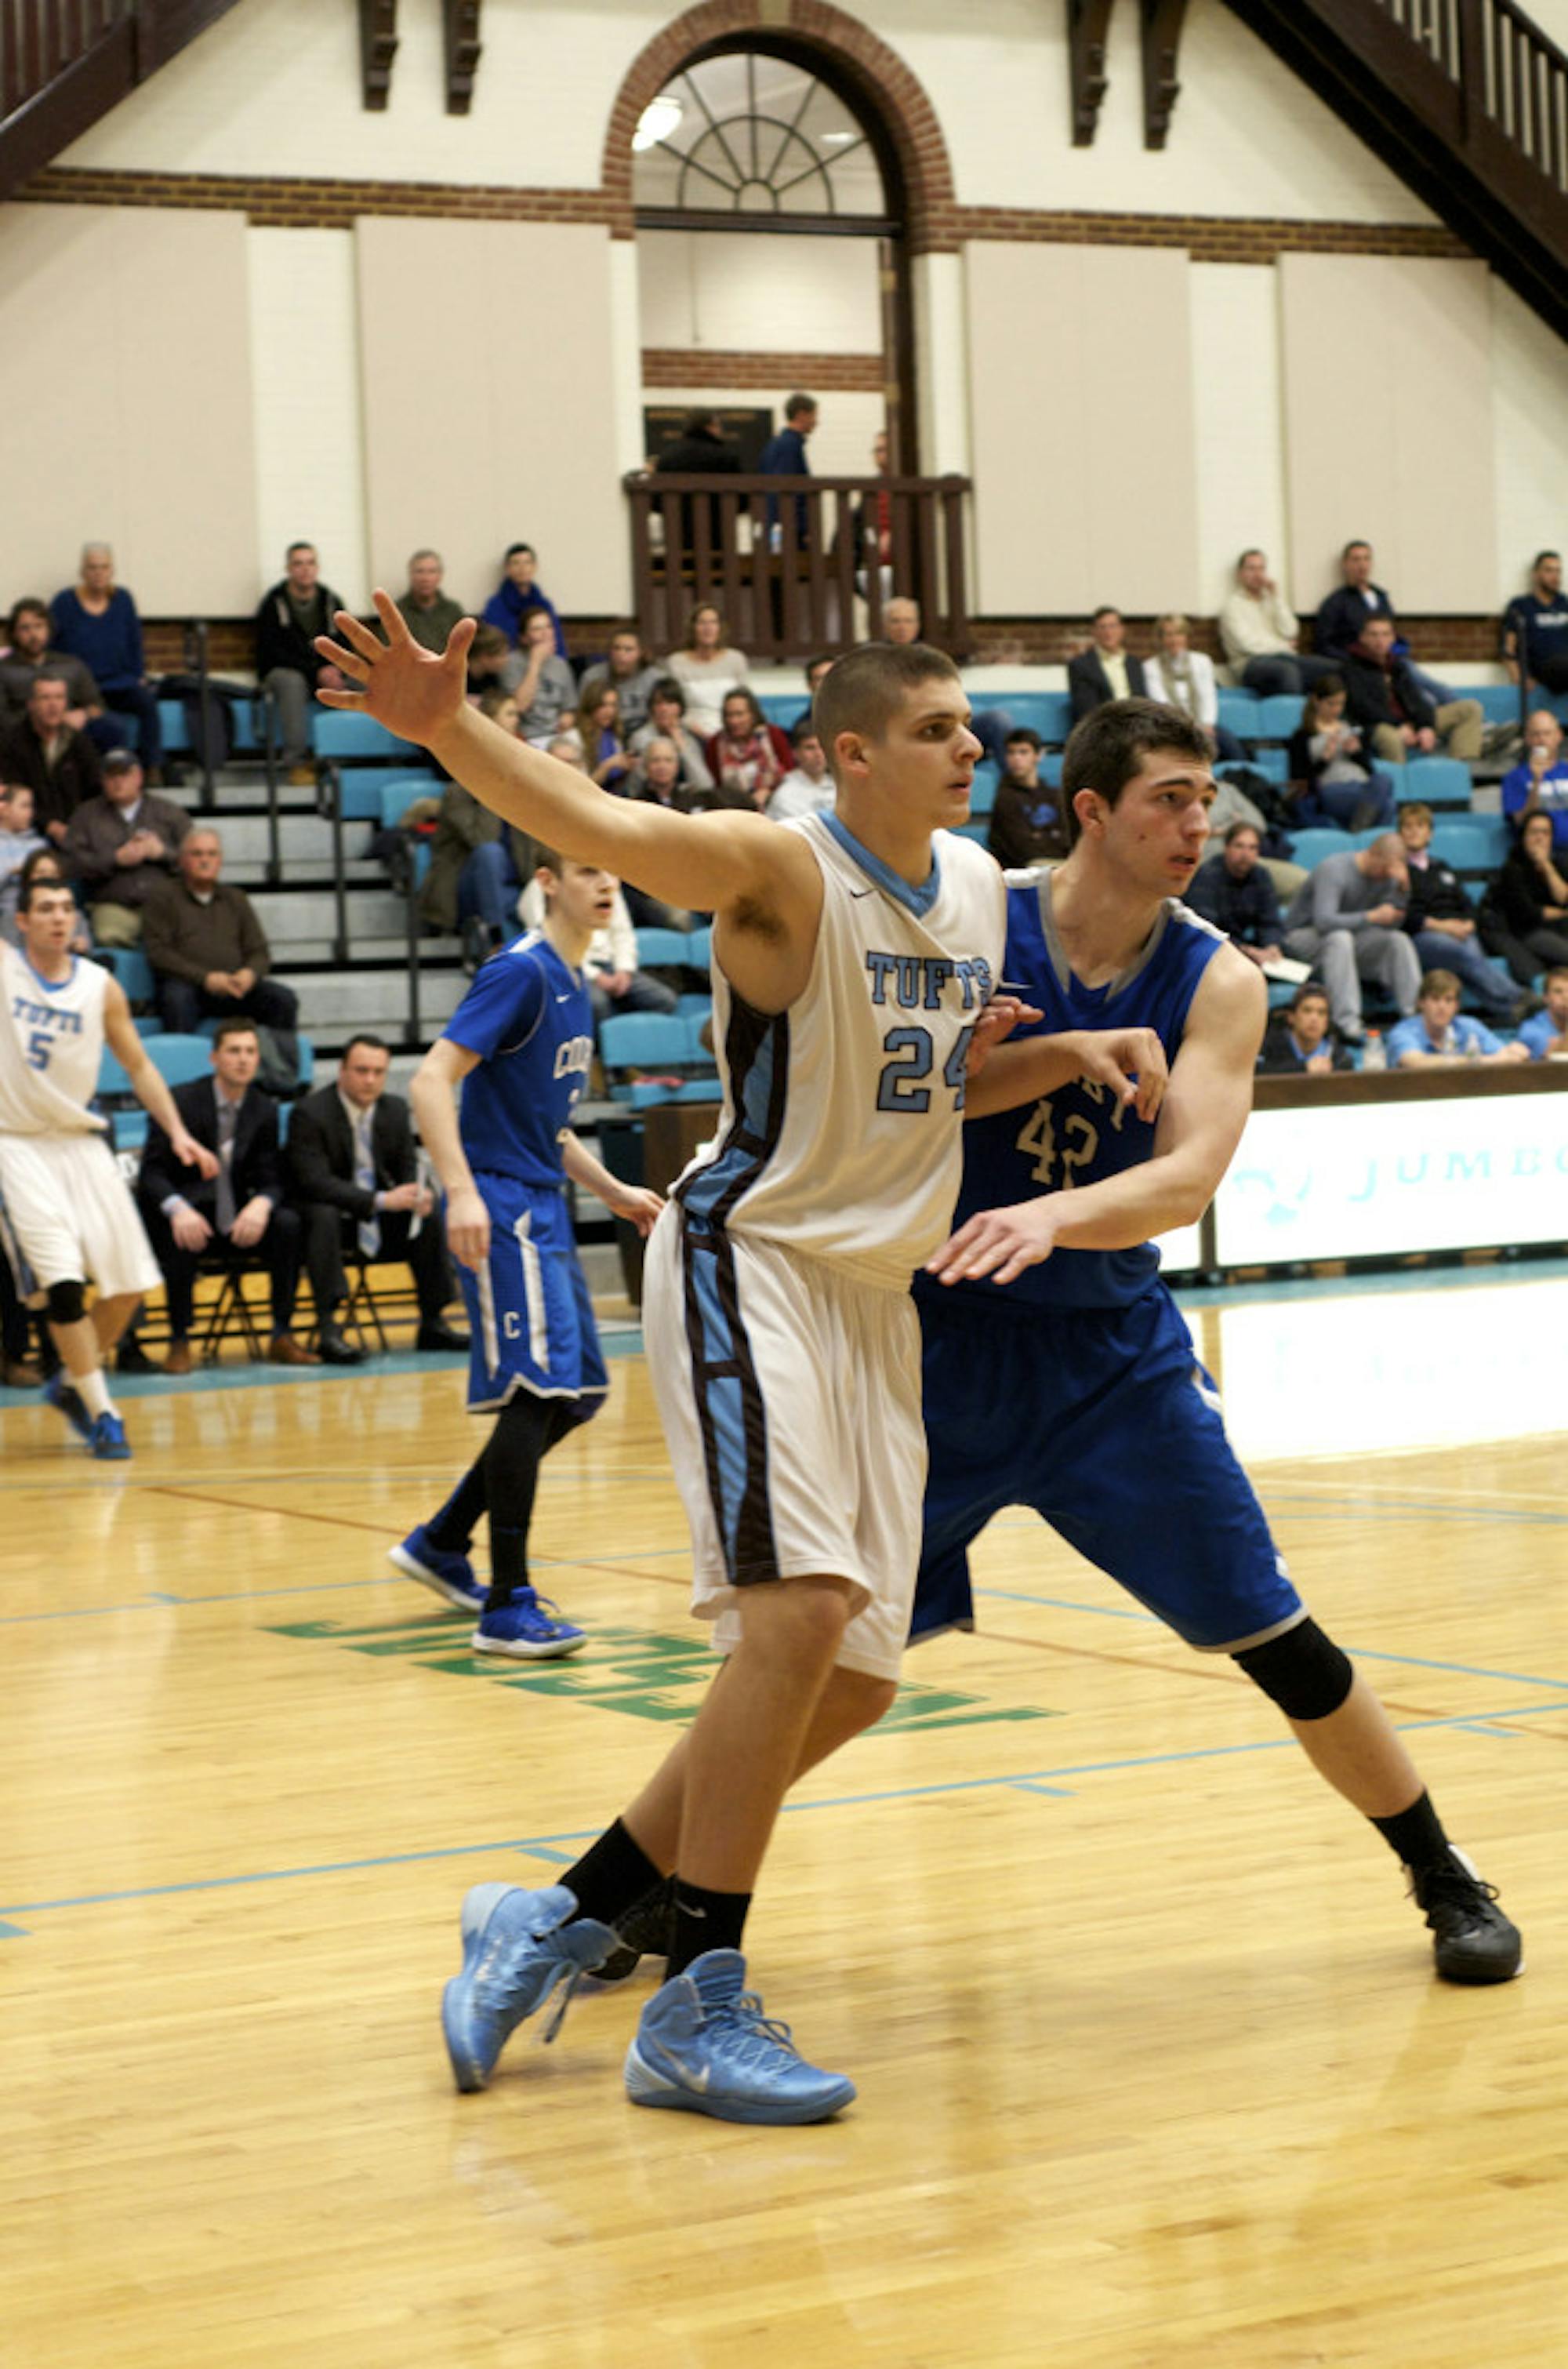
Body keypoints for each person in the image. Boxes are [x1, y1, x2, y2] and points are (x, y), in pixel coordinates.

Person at [312, 590, 1120, 2121]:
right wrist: (447, 725)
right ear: (852, 754)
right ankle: (696, 1999)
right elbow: (598, 816)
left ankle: (562, 1912)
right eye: (937, 729)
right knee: (800, 1610)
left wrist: (1057, 1056)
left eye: (971, 725)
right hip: (753, 1260)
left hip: (877, 1298)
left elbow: (923, 1083)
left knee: (856, 1675)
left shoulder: (975, 892)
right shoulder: (777, 863)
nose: (972, 747)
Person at [910, 696, 1522, 1992]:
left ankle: (1442, 1871)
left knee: (1279, 1634)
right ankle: (653, 1890)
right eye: (1171, 800)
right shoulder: (971, 918)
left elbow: (1187, 1181)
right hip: (932, 1345)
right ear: (1090, 810)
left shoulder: (1218, 976)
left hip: (1107, 1361)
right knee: (814, 1653)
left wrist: (1050, 1214)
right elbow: (885, 1095)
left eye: (1208, 798)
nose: (1202, 824)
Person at [393, 856, 664, 1651]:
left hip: (540, 1194)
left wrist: (610, 1190)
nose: (607, 883)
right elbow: (429, 1083)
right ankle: (506, 1603)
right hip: (502, 1201)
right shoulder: (519, 973)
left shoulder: (576, 981)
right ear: (548, 880)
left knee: (573, 1391)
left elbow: (547, 1122)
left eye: (615, 870)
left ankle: (442, 1542)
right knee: (534, 1386)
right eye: (587, 870)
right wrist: (462, 1190)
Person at [0, 874, 218, 1458]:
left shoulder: (99, 986)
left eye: (67, 907)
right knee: (64, 1284)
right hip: (15, 1144)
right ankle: (103, 1411)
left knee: (129, 1287)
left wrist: (178, 1132)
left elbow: (141, 1066)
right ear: (21, 922)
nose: (58, 917)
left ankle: (71, 1382)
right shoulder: (5, 970)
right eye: (44, 908)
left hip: (81, 1142)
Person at [133, 1018, 316, 1373]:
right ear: (214, 1058)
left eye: (250, 1052)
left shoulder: (263, 1108)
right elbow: (151, 1174)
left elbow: (271, 1176)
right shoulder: (181, 1101)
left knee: (288, 1223)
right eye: (234, 1051)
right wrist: (178, 1209)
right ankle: (179, 1341)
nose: (243, 1059)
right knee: (181, 1236)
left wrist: (262, 1205)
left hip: (237, 1219)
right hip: (190, 1216)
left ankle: (282, 1333)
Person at [287, 1035, 467, 1366]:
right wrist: (381, 1200)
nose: (370, 1080)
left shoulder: (395, 1109)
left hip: (380, 1221)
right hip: (334, 1221)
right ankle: (329, 1329)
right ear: (341, 1071)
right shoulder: (309, 1113)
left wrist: (416, 1191)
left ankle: (433, 1321)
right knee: (322, 1215)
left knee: (429, 1210)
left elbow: (407, 1165)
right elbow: (314, 1182)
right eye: (361, 1071)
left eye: (378, 1072)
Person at [142, 829, 299, 1063]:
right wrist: (205, 978)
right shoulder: (162, 896)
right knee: (176, 998)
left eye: (211, 854)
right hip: (190, 988)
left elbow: (259, 951)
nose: (204, 860)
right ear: (183, 860)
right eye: (197, 854)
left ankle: (279, 1078)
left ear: (220, 860)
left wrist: (249, 974)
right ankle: (182, 1073)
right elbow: (158, 953)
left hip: (235, 988)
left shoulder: (236, 898)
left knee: (282, 999)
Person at [1397, 801, 1530, 1027]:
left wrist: (1468, 923)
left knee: (1469, 959)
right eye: (1407, 827)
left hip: (1459, 931)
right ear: (1399, 833)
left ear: (1429, 833)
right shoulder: (1397, 869)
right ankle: (1518, 997)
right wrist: (1444, 927)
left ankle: (1511, 1012)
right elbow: (1405, 915)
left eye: (1419, 826)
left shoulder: (1442, 867)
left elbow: (1466, 902)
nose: (1413, 832)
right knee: (1464, 955)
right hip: (1424, 936)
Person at [1282, 834, 1421, 1041]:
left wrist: (1403, 891)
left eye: (1390, 873)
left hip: (1349, 941)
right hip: (1302, 939)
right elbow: (1324, 922)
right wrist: (1371, 916)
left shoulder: (1388, 877)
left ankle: (1417, 1019)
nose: (1385, 876)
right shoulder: (1334, 869)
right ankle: (1347, 1025)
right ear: (1373, 854)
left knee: (1397, 940)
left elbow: (1393, 924)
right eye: (1383, 869)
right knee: (1340, 938)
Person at [49, 543, 165, 779]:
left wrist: (137, 674)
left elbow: (134, 640)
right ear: (82, 571)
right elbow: (53, 647)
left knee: (148, 704)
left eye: (104, 567)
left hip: (120, 683)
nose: (98, 573)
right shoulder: (64, 602)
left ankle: (152, 768)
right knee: (111, 727)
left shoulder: (123, 600)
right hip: (82, 690)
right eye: (92, 568)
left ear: (112, 571)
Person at [516, 871, 678, 1027]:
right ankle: (599, 1050)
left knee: (664, 1001)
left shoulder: (607, 881)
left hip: (611, 965)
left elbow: (622, 932)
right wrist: (596, 976)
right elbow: (549, 943)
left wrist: (624, 970)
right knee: (597, 1004)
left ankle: (621, 1037)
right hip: (569, 967)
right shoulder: (541, 886)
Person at [61, 749, 188, 947]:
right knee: (108, 936)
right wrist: (115, 859)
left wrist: (163, 853)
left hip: (165, 905)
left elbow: (197, 858)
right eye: (111, 776)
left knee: (185, 939)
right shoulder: (85, 815)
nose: (118, 781)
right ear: (102, 780)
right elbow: (70, 864)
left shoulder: (169, 812)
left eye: (124, 774)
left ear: (139, 777)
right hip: (113, 906)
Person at [1316, 540, 1453, 708]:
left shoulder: (1381, 598)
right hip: (1363, 668)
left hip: (1393, 663)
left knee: (1432, 688)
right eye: (1356, 559)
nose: (1362, 565)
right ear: (1345, 564)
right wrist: (1353, 660)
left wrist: (1398, 653)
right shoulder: (1335, 603)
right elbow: (1323, 644)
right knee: (1425, 699)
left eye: (1366, 559)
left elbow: (1397, 638)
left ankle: (1480, 724)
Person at [256, 542, 349, 778]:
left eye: (310, 563)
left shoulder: (331, 601)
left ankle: (361, 758)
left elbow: (346, 643)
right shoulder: (273, 603)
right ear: (288, 569)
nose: (305, 569)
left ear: (317, 568)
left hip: (324, 671)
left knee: (370, 682)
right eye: (298, 564)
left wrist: (335, 669)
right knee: (292, 682)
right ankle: (295, 762)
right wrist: (315, 671)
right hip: (283, 672)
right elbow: (273, 652)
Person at [1340, 618, 1482, 767]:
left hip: (1409, 723)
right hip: (1377, 727)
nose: (1380, 640)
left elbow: (1417, 699)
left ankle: (1459, 773)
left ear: (1393, 638)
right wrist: (1399, 726)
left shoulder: (1398, 666)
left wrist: (1425, 726)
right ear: (1363, 638)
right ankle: (1399, 784)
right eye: (1374, 635)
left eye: (1385, 634)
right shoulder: (1350, 669)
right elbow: (1364, 708)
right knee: (1390, 737)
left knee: (1469, 709)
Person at [0, 671, 103, 841]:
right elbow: (11, 795)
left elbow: (95, 791)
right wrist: (49, 825)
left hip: (76, 832)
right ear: (31, 704)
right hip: (26, 833)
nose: (53, 705)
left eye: (59, 698)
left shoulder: (79, 743)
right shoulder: (12, 744)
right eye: (45, 698)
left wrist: (81, 827)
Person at [1218, 550, 1335, 697]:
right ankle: (1295, 719)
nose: (1257, 574)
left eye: (1261, 569)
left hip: (1285, 657)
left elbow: (1291, 631)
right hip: (1249, 664)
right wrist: (1283, 646)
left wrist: (1276, 597)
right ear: (1240, 574)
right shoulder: (1232, 607)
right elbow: (1247, 645)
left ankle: (1332, 719)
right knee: (1287, 672)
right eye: (1251, 569)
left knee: (1333, 668)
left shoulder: (1271, 600)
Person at [1286, 676, 1396, 830]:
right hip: (1332, 790)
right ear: (1317, 701)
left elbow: (1369, 770)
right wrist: (1324, 759)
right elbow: (1300, 779)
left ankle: (1360, 832)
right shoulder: (1302, 736)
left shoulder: (1350, 728)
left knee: (1387, 798)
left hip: (1362, 786)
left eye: (1341, 704)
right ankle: (1361, 832)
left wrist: (1357, 753)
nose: (1337, 710)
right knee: (1385, 795)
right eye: (1331, 704)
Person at [1142, 613, 1246, 763]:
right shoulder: (1150, 666)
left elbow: (1208, 695)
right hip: (1170, 727)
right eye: (1168, 635)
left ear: (1186, 637)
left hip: (1203, 724)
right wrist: (1188, 727)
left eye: (1178, 634)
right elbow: (1161, 703)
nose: (1174, 640)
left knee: (1234, 750)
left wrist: (1207, 723)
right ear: (1161, 638)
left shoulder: (1202, 661)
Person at [1479, 810, 1568, 983]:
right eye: (1534, 832)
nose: (1540, 838)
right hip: (1525, 932)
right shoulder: (1513, 869)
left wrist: (1546, 866)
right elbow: (1530, 913)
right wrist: (1563, 913)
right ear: (1524, 836)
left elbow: (1564, 898)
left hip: (1556, 928)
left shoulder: (1559, 864)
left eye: (1545, 833)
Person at [1185, 820, 1284, 969]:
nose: (1246, 854)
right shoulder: (1207, 875)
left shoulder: (1261, 875)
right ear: (1226, 848)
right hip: (1206, 950)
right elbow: (1207, 930)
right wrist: (1246, 950)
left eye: (1252, 848)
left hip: (1242, 947)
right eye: (1239, 846)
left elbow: (1270, 921)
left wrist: (1271, 946)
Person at [0, 598, 104, 734]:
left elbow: (97, 705)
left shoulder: (71, 665)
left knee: (110, 728)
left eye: (39, 626)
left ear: (49, 630)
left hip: (70, 735)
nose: (33, 635)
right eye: (25, 628)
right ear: (14, 634)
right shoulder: (4, 669)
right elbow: (3, 718)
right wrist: (45, 722)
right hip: (20, 738)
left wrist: (84, 714)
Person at [1386, 970, 1530, 1068]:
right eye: (1435, 999)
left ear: (1456, 1006)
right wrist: (1479, 1061)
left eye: (1448, 1000)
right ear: (1421, 1002)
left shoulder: (1469, 1026)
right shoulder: (1403, 1032)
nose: (1442, 1007)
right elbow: (1415, 1063)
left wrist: (1516, 1051)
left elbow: (1509, 1055)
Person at [654, 407, 742, 565]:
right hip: (717, 539)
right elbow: (741, 501)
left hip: (678, 540)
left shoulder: (668, 457)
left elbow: (657, 502)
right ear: (710, 426)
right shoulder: (726, 457)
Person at [662, 603, 749, 737]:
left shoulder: (736, 659)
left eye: (713, 623)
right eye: (702, 623)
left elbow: (745, 701)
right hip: (690, 732)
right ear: (693, 628)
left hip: (731, 730)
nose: (708, 628)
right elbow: (671, 707)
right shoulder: (676, 662)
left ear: (720, 628)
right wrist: (694, 730)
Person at [985, 729, 1069, 870]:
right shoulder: (1005, 798)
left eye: (1023, 752)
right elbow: (1022, 849)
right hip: (1022, 873)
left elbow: (1069, 839)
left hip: (1058, 867)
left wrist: (1038, 837)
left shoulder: (1054, 795)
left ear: (1039, 755)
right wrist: (1052, 837)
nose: (1016, 758)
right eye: (1011, 753)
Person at [705, 689, 792, 808]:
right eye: (729, 715)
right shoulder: (715, 743)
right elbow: (716, 785)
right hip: (731, 807)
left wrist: (769, 792)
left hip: (775, 801)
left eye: (739, 714)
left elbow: (790, 773)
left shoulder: (773, 735)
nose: (733, 721)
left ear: (753, 715)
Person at [626, 677, 715, 794]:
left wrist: (683, 748)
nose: (663, 709)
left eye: (670, 703)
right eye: (658, 703)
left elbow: (705, 785)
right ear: (652, 708)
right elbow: (638, 785)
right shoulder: (639, 738)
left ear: (680, 708)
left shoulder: (688, 737)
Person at [1500, 551, 1568, 697]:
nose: (1555, 577)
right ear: (1536, 574)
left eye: (1558, 571)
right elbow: (1508, 647)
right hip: (1543, 671)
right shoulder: (1520, 606)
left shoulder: (1565, 604)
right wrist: (1518, 678)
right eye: (1549, 570)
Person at [1499, 709, 1568, 852]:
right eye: (1536, 734)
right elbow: (1522, 823)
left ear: (1559, 736)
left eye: (1547, 733)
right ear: (1527, 739)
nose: (1542, 740)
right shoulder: (1514, 778)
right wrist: (1537, 781)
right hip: (1538, 854)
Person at [577, 627, 662, 739]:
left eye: (628, 649)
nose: (621, 654)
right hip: (602, 734)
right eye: (616, 649)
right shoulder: (592, 677)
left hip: (644, 736)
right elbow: (583, 715)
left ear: (641, 653)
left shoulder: (656, 679)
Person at [509, 609, 578, 745]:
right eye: (537, 629)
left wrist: (568, 717)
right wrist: (536, 663)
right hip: (526, 737)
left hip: (558, 735)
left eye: (549, 626)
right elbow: (519, 707)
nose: (546, 633)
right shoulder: (511, 662)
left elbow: (570, 708)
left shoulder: (560, 664)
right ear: (524, 638)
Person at [1068, 608, 1148, 724]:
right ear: (1094, 632)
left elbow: (1142, 702)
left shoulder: (1134, 663)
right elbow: (1087, 710)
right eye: (1102, 627)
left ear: (1122, 630)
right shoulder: (1081, 666)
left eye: (1112, 626)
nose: (1108, 632)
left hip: (1136, 728)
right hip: (1102, 730)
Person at [483, 543, 564, 656]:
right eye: (516, 563)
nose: (522, 568)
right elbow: (492, 646)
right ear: (507, 568)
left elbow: (557, 644)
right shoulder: (495, 606)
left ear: (535, 567)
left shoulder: (544, 605)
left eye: (527, 562)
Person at [1258, 979, 1354, 1073]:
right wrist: (1304, 1068)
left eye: (1321, 1013)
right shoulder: (1270, 1046)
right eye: (1307, 1010)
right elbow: (1256, 1072)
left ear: (1327, 1022)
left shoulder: (1340, 1058)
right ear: (1291, 1017)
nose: (1314, 1019)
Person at [760, 391, 818, 543]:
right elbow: (790, 488)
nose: (816, 421)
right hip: (789, 528)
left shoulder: (776, 444)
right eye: (813, 415)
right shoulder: (790, 446)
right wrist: (804, 528)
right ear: (801, 415)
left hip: (775, 524)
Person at [0, 783, 46, 943]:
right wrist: (11, 872)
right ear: (5, 810)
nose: (30, 813)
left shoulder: (39, 845)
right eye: (24, 806)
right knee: (14, 915)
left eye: (31, 806)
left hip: (39, 906)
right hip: (6, 910)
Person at [396, 550, 466, 655]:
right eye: (419, 571)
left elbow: (465, 648)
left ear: (440, 576)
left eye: (432, 572)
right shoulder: (396, 611)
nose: (425, 578)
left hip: (447, 669)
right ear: (411, 575)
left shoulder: (453, 610)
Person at [768, 719, 835, 822]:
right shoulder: (785, 795)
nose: (818, 754)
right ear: (795, 753)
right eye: (810, 748)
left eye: (822, 747)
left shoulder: (839, 786)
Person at [1515, 964, 1568, 1058]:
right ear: (1546, 998)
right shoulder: (1531, 1031)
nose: (1566, 997)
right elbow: (1551, 1062)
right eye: (1558, 991)